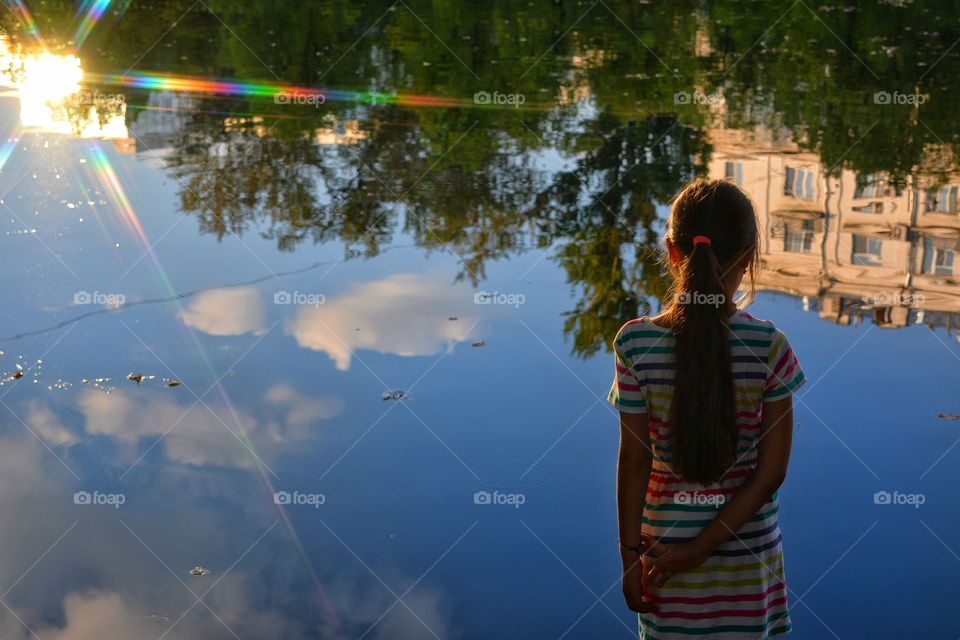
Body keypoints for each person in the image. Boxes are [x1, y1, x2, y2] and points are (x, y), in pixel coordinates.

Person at [609, 178, 806, 639]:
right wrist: (705, 547)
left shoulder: (634, 343)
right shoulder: (769, 346)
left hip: (661, 558)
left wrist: (628, 555)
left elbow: (635, 459)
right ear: (750, 257)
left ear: (672, 252)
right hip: (746, 559)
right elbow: (771, 472)